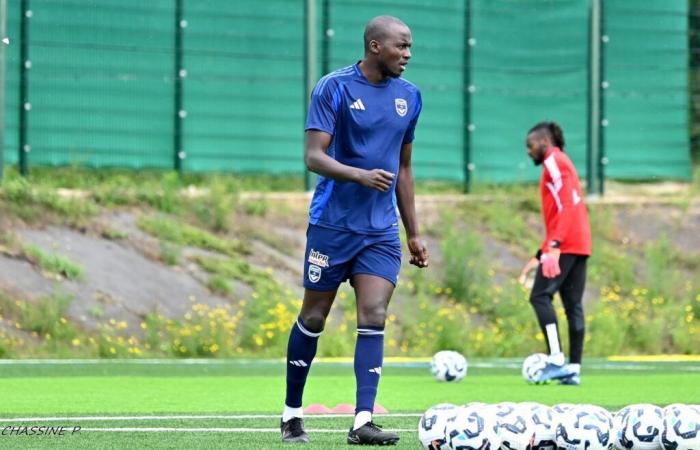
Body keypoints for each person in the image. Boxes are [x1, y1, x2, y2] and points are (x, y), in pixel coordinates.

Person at [280, 15, 429, 445]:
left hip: (379, 231)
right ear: (375, 46)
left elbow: (403, 168)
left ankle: (362, 421)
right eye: (402, 46)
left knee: (374, 314)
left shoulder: (410, 97)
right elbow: (313, 156)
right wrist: (358, 175)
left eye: (410, 46)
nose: (408, 54)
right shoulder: (334, 87)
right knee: (313, 316)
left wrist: (413, 232)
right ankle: (292, 414)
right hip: (332, 225)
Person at [519, 121, 591, 386]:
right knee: (573, 306)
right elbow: (567, 205)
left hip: (566, 243)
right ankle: (574, 369)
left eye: (530, 145)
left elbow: (568, 204)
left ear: (544, 143)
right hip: (580, 242)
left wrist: (555, 245)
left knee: (539, 297)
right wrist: (542, 251)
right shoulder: (564, 161)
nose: (528, 151)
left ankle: (557, 359)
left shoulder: (553, 161)